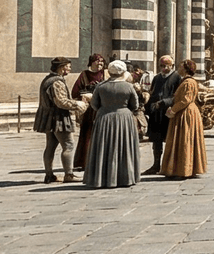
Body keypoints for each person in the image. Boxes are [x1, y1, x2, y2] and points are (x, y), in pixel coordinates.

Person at [84, 60, 144, 188]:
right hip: (124, 119)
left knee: (104, 147)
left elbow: (94, 104)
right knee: (124, 146)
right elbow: (135, 105)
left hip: (104, 118)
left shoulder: (100, 87)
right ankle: (125, 177)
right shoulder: (129, 87)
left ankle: (102, 178)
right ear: (123, 72)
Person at [160, 59, 207, 179]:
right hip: (184, 112)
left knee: (184, 140)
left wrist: (173, 110)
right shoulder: (185, 81)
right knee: (182, 140)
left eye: (180, 66)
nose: (178, 68)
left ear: (185, 68)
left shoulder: (188, 83)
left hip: (186, 113)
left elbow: (186, 99)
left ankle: (183, 170)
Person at [35, 56, 78, 183]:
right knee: (68, 145)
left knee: (51, 146)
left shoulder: (47, 79)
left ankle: (49, 174)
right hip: (58, 117)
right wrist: (78, 105)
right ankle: (69, 175)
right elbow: (61, 102)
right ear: (62, 67)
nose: (70, 69)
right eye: (68, 66)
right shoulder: (57, 82)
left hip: (49, 117)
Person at [71, 53, 107, 171]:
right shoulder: (84, 75)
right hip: (90, 110)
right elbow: (75, 92)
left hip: (103, 108)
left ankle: (101, 161)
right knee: (88, 135)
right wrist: (86, 94)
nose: (100, 63)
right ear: (91, 62)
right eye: (97, 61)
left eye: (102, 61)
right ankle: (85, 162)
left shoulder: (106, 74)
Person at [145, 55, 178, 174]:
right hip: (156, 114)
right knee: (156, 141)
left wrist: (164, 102)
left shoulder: (176, 77)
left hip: (169, 113)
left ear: (172, 66)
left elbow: (177, 96)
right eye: (162, 66)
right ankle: (156, 164)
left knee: (171, 140)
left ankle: (170, 166)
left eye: (166, 66)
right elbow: (153, 92)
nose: (164, 68)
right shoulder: (157, 78)